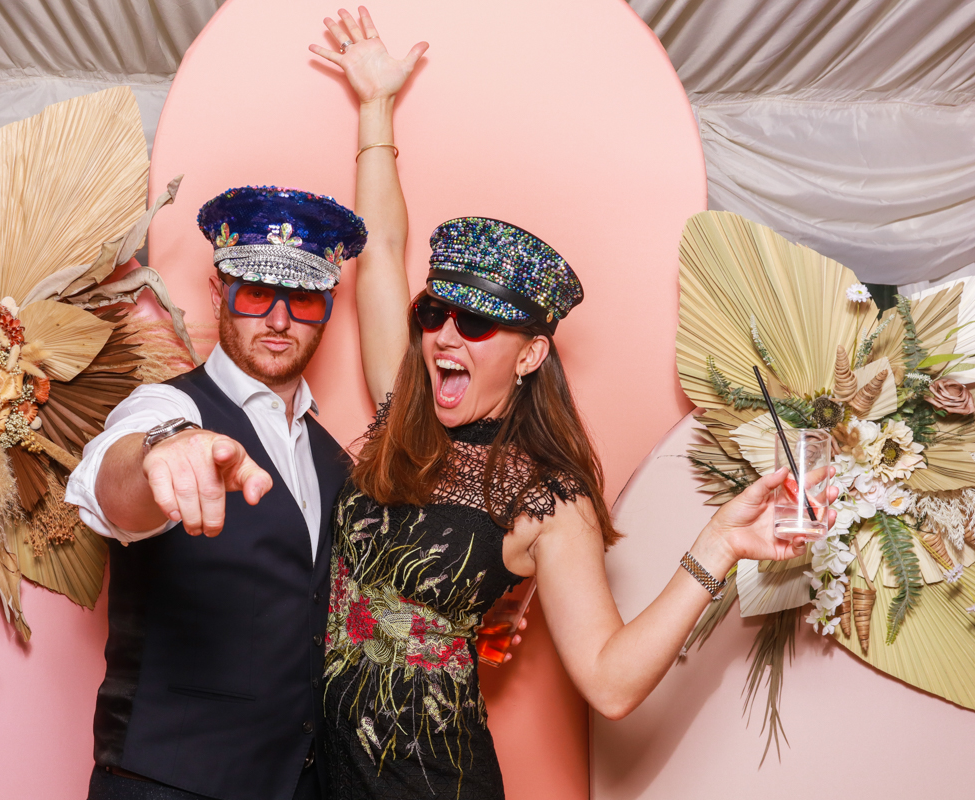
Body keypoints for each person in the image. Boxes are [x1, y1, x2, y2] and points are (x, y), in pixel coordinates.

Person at [306, 8, 837, 799]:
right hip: (313, 776)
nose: (445, 336)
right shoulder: (400, 413)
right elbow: (381, 249)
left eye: (477, 322)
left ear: (530, 354)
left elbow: (610, 683)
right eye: (434, 314)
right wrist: (376, 105)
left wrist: (719, 545)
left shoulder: (546, 499)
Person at [66, 185, 367, 800]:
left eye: (303, 301)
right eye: (257, 294)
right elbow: (111, 484)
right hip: (167, 782)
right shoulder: (171, 406)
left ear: (327, 309)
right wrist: (163, 449)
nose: (279, 321)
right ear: (217, 293)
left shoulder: (335, 458)